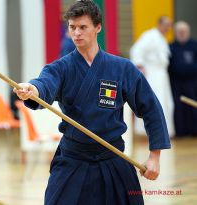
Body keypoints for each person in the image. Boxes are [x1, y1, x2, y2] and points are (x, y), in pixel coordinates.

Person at [14, 1, 171, 204]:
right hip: (73, 159)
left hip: (112, 158)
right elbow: (45, 84)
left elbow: (150, 108)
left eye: (82, 27)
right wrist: (32, 89)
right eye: (72, 27)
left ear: (98, 27)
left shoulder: (122, 68)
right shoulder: (61, 68)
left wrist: (154, 156)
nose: (76, 33)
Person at [130, 16, 175, 137]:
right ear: (159, 24)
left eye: (170, 25)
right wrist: (140, 66)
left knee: (166, 103)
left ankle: (163, 132)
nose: (168, 28)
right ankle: (147, 132)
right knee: (152, 102)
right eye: (166, 24)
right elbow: (136, 50)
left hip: (161, 75)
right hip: (152, 75)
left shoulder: (162, 38)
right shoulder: (150, 35)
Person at [169, 21, 197, 137]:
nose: (182, 33)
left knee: (193, 106)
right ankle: (180, 132)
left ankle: (194, 130)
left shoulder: (194, 45)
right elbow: (170, 65)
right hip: (177, 83)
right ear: (175, 33)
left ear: (188, 32)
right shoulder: (170, 47)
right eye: (179, 31)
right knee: (178, 108)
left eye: (184, 31)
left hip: (193, 82)